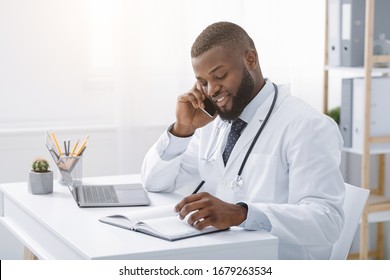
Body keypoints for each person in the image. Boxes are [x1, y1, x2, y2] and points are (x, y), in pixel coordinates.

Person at [141, 21, 345, 259]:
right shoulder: (213, 123)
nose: (211, 91)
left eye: (220, 76)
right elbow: (155, 183)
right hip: (224, 255)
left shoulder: (307, 126)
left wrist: (242, 213)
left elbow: (327, 220)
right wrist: (182, 129)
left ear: (250, 60)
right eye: (203, 82)